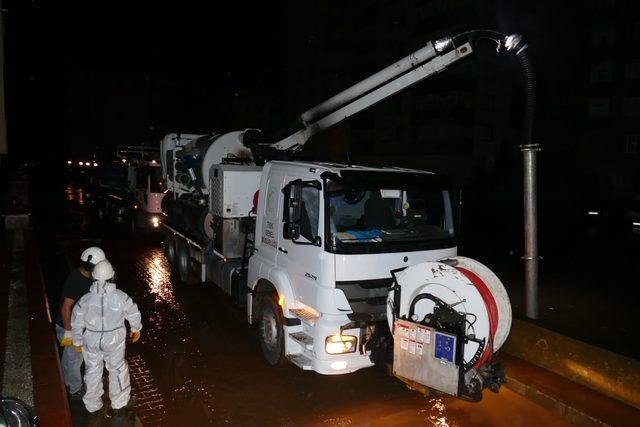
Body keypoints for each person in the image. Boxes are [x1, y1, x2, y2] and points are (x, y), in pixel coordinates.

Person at [71, 259, 142, 414]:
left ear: (93, 277)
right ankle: (119, 401)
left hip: (91, 340)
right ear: (112, 276)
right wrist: (136, 328)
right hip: (114, 340)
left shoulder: (85, 299)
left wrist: (77, 340)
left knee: (92, 371)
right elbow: (133, 312)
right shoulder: (121, 297)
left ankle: (92, 403)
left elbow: (76, 321)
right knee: (117, 369)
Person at [56, 246, 106, 398]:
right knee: (73, 359)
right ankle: (74, 388)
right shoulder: (76, 280)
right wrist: (69, 334)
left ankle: (75, 382)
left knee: (76, 357)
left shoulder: (90, 276)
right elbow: (66, 308)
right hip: (69, 326)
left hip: (81, 326)